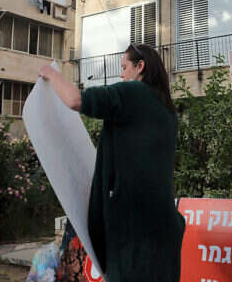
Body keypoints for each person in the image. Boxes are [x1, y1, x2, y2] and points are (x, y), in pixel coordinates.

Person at [39, 43, 185, 282]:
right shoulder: (167, 110)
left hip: (134, 234)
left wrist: (51, 74)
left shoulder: (133, 93)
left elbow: (75, 100)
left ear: (140, 66)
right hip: (164, 231)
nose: (121, 74)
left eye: (124, 67)